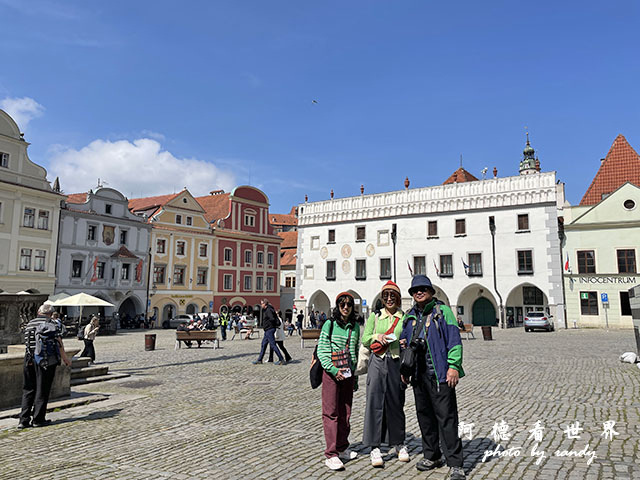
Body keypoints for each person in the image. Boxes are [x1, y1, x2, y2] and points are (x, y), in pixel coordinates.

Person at [399, 275, 466, 480]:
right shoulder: (409, 316)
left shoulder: (443, 312)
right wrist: (405, 370)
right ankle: (432, 455)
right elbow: (405, 343)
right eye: (415, 290)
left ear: (430, 291)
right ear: (411, 294)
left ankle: (455, 463)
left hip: (440, 375)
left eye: (423, 289)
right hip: (418, 376)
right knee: (425, 418)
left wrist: (453, 366)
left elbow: (454, 340)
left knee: (447, 418)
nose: (419, 292)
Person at [361, 281, 409, 467]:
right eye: (386, 296)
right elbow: (365, 339)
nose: (389, 299)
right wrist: (376, 337)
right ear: (382, 298)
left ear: (397, 298)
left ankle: (398, 443)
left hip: (396, 361)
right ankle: (375, 446)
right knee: (374, 401)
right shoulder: (375, 316)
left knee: (396, 402)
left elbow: (407, 337)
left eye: (393, 296)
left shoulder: (403, 317)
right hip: (378, 360)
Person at [318, 292, 360, 471]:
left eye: (349, 305)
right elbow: (322, 349)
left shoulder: (355, 326)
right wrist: (334, 370)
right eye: (342, 304)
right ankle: (331, 453)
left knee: (346, 412)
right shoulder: (330, 324)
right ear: (337, 306)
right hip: (331, 373)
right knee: (331, 412)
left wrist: (354, 376)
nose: (346, 307)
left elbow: (354, 352)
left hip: (348, 375)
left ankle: (342, 447)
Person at [18, 304, 72, 429]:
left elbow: (27, 342)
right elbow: (59, 343)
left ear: (38, 312)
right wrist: (65, 359)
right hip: (46, 360)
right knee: (42, 389)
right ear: (51, 313)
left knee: (28, 389)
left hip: (29, 359)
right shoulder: (53, 324)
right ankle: (38, 419)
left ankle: (23, 420)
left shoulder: (30, 323)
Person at [252, 299, 285, 365]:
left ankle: (281, 359)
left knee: (273, 345)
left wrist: (269, 325)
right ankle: (260, 359)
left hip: (269, 329)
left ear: (265, 304)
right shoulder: (268, 309)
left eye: (262, 304)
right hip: (267, 330)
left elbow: (272, 318)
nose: (261, 305)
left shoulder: (269, 310)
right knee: (263, 344)